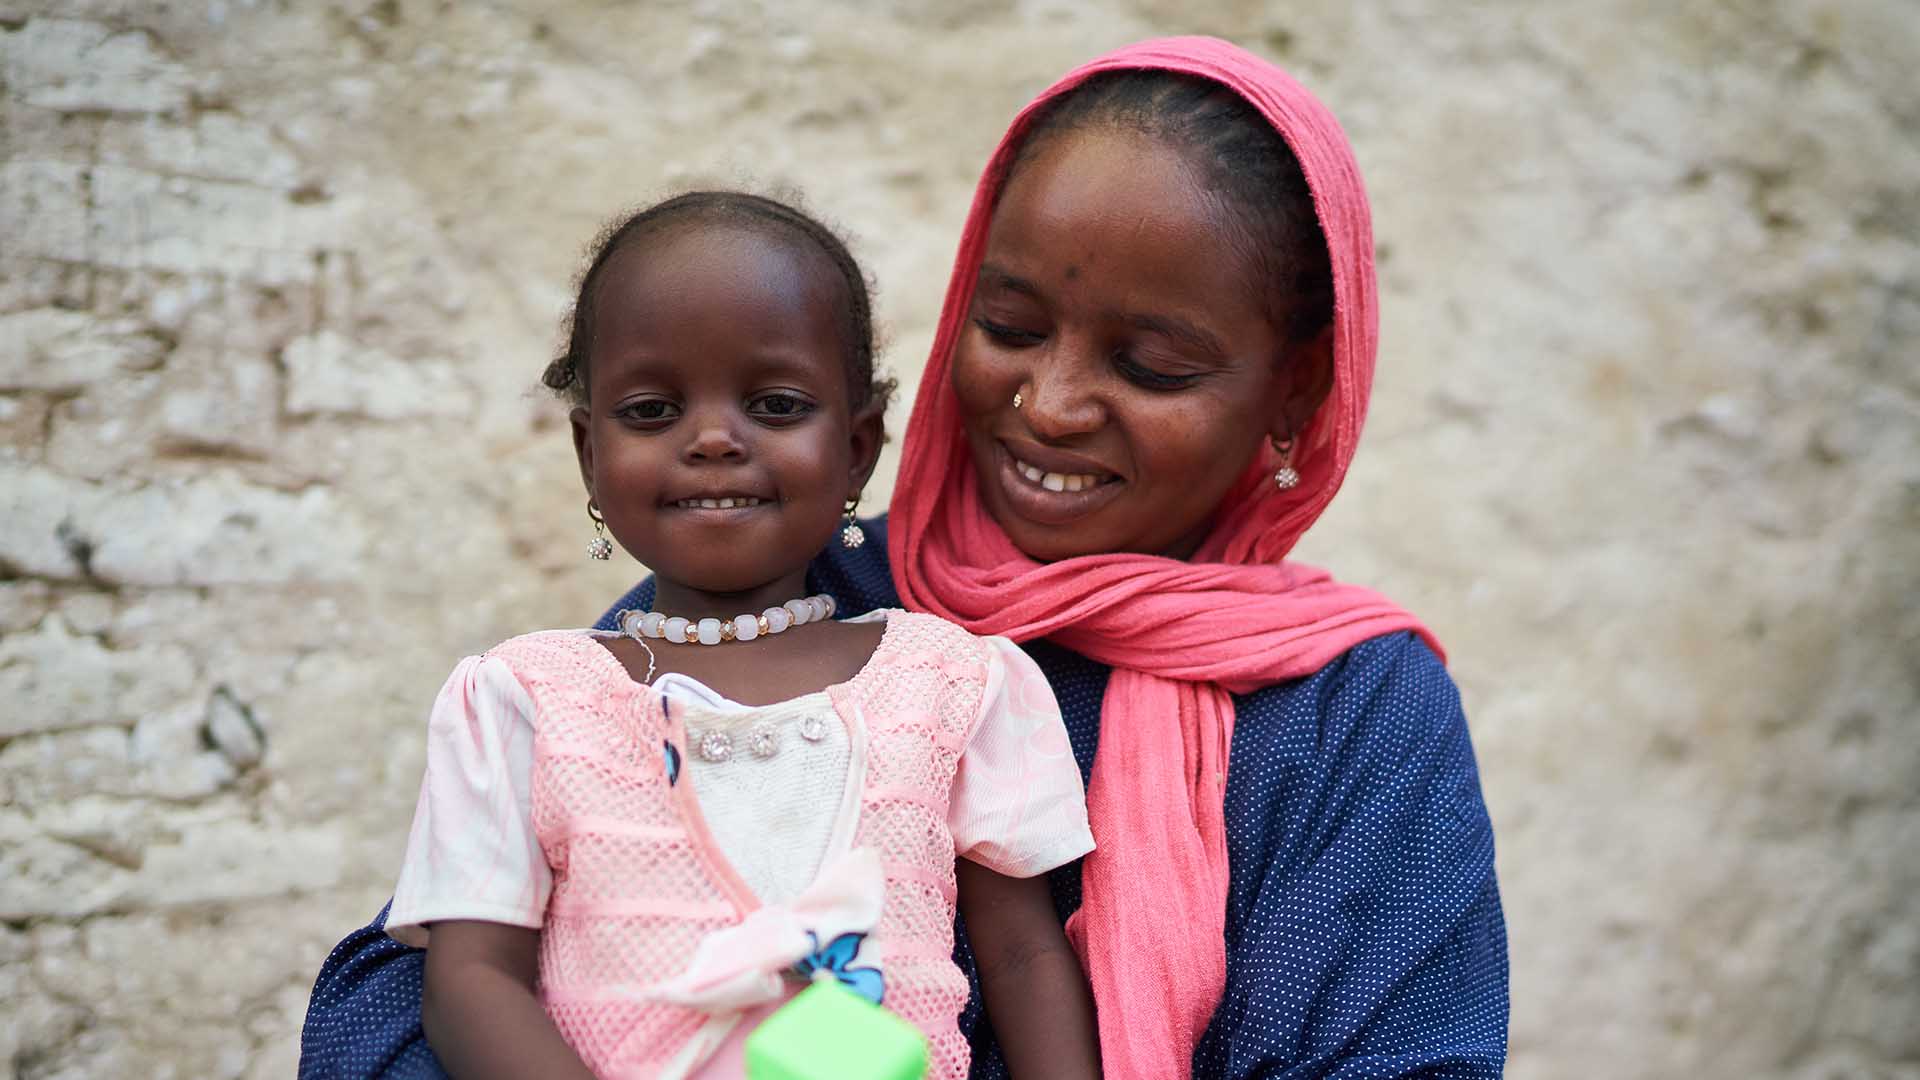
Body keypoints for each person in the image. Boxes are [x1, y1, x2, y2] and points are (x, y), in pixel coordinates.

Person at [302, 36, 1508, 1080]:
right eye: (1010, 327)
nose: (1051, 403)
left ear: (1294, 392)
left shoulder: (1350, 713)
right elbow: (386, 1017)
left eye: (1152, 366)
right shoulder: (788, 597)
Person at [363, 190, 1101, 1080]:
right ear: (587, 452)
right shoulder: (523, 702)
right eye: (649, 412)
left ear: (859, 448)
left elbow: (1023, 956)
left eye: (777, 404)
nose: (713, 438)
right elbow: (472, 980)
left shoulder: (955, 682)